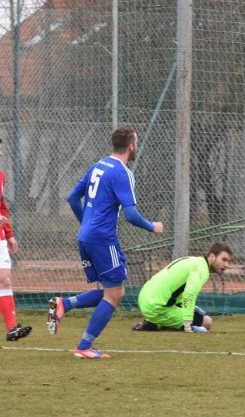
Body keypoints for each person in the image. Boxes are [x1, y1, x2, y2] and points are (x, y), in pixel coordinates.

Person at [48, 126, 163, 359]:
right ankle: (83, 346)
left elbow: (72, 198)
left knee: (109, 291)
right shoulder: (122, 172)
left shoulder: (98, 165)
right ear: (131, 146)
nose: (136, 147)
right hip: (102, 239)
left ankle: (64, 304)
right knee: (115, 295)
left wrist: (86, 224)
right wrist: (152, 226)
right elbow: (130, 214)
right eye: (136, 144)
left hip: (86, 237)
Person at [132, 242, 232, 333]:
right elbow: (189, 295)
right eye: (223, 260)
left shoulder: (195, 261)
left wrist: (188, 307)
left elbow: (177, 289)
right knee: (207, 322)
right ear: (211, 256)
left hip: (145, 298)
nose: (227, 265)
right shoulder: (202, 269)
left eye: (228, 261)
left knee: (196, 314)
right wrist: (188, 324)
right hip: (155, 307)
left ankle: (152, 323)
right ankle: (155, 322)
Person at [0, 138, 31, 341]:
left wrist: (9, 234)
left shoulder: (1, 176)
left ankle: (12, 329)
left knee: (5, 280)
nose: (1, 153)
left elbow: (1, 206)